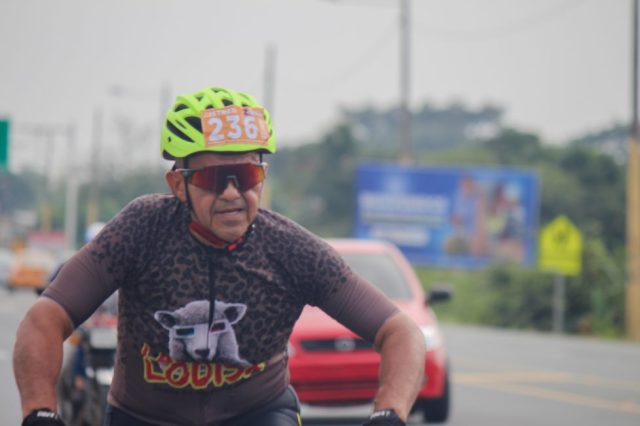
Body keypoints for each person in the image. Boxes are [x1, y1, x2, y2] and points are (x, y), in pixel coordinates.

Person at [13, 86, 427, 426]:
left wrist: (389, 413)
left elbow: (400, 331)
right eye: (213, 179)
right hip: (145, 417)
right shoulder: (140, 229)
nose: (232, 193)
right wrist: (39, 411)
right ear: (178, 184)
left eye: (246, 175)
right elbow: (45, 319)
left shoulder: (288, 248)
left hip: (258, 415)